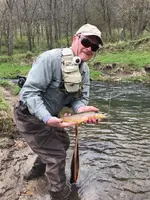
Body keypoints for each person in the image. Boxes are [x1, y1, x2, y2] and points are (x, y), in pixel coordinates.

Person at [14, 23, 103, 200]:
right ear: (75, 39)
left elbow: (79, 99)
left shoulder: (84, 70)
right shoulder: (50, 59)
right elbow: (29, 92)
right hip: (28, 115)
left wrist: (81, 109)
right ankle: (59, 194)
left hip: (51, 116)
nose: (89, 48)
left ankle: (37, 170)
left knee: (63, 142)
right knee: (56, 155)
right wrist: (47, 118)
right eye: (86, 41)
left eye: (94, 46)